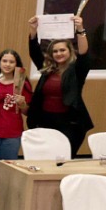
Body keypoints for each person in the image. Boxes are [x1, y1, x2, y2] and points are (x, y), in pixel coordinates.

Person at [27, 15, 94, 155]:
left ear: (70, 51)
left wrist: (80, 29)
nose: (59, 54)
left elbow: (84, 54)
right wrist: (33, 31)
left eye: (62, 50)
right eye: (55, 51)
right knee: (45, 157)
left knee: (63, 160)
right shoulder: (47, 70)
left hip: (69, 124)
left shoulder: (76, 71)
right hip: (45, 122)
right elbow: (35, 53)